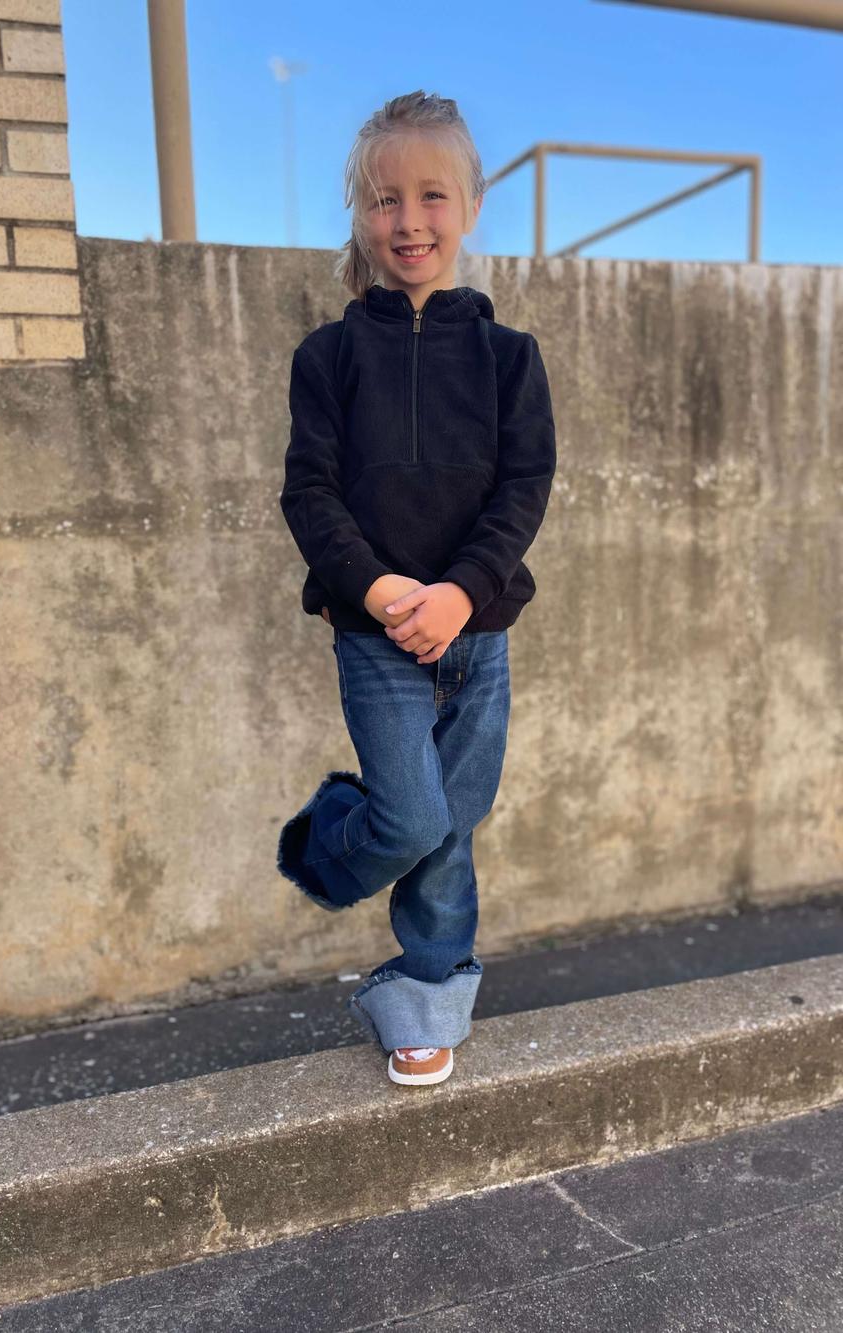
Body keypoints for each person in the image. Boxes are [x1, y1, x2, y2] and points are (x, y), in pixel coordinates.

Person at [275, 90, 557, 1087]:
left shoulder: (509, 357)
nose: (409, 219)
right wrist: (382, 587)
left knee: (450, 828)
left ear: (470, 206)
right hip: (375, 635)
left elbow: (524, 488)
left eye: (432, 195)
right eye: (384, 199)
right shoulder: (328, 356)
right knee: (409, 820)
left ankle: (427, 998)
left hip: (479, 635)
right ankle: (328, 845)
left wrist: (461, 594)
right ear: (360, 215)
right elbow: (308, 492)